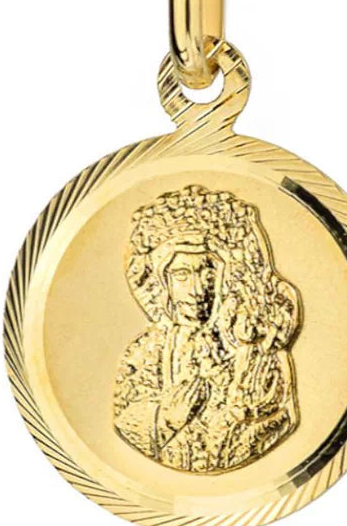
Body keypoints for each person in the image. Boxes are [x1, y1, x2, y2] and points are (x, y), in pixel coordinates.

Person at [113, 185, 301, 473]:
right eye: (181, 274)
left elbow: (278, 422)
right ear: (163, 283)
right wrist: (164, 419)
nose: (197, 290)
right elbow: (125, 424)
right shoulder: (143, 354)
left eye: (207, 273)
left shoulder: (253, 349)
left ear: (224, 277)